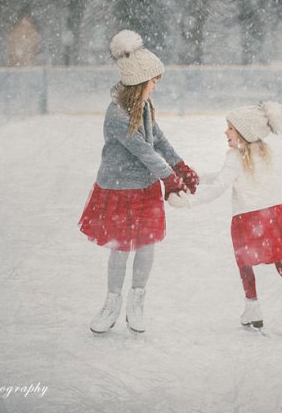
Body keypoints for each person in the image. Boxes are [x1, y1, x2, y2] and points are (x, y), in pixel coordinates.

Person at [79, 30, 199, 335]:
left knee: (146, 244)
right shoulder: (117, 114)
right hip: (119, 188)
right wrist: (171, 180)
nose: (156, 86)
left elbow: (157, 139)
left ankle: (137, 301)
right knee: (120, 247)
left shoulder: (143, 107)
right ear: (137, 84)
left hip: (145, 187)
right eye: (153, 81)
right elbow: (145, 152)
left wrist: (180, 165)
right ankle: (112, 303)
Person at [168, 101, 282, 338]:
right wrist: (197, 177)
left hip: (247, 221)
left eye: (230, 128)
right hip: (272, 216)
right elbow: (224, 178)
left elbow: (220, 186)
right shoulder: (263, 153)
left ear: (244, 132)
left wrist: (188, 201)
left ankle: (254, 310)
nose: (225, 132)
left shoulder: (235, 157)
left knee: (245, 265)